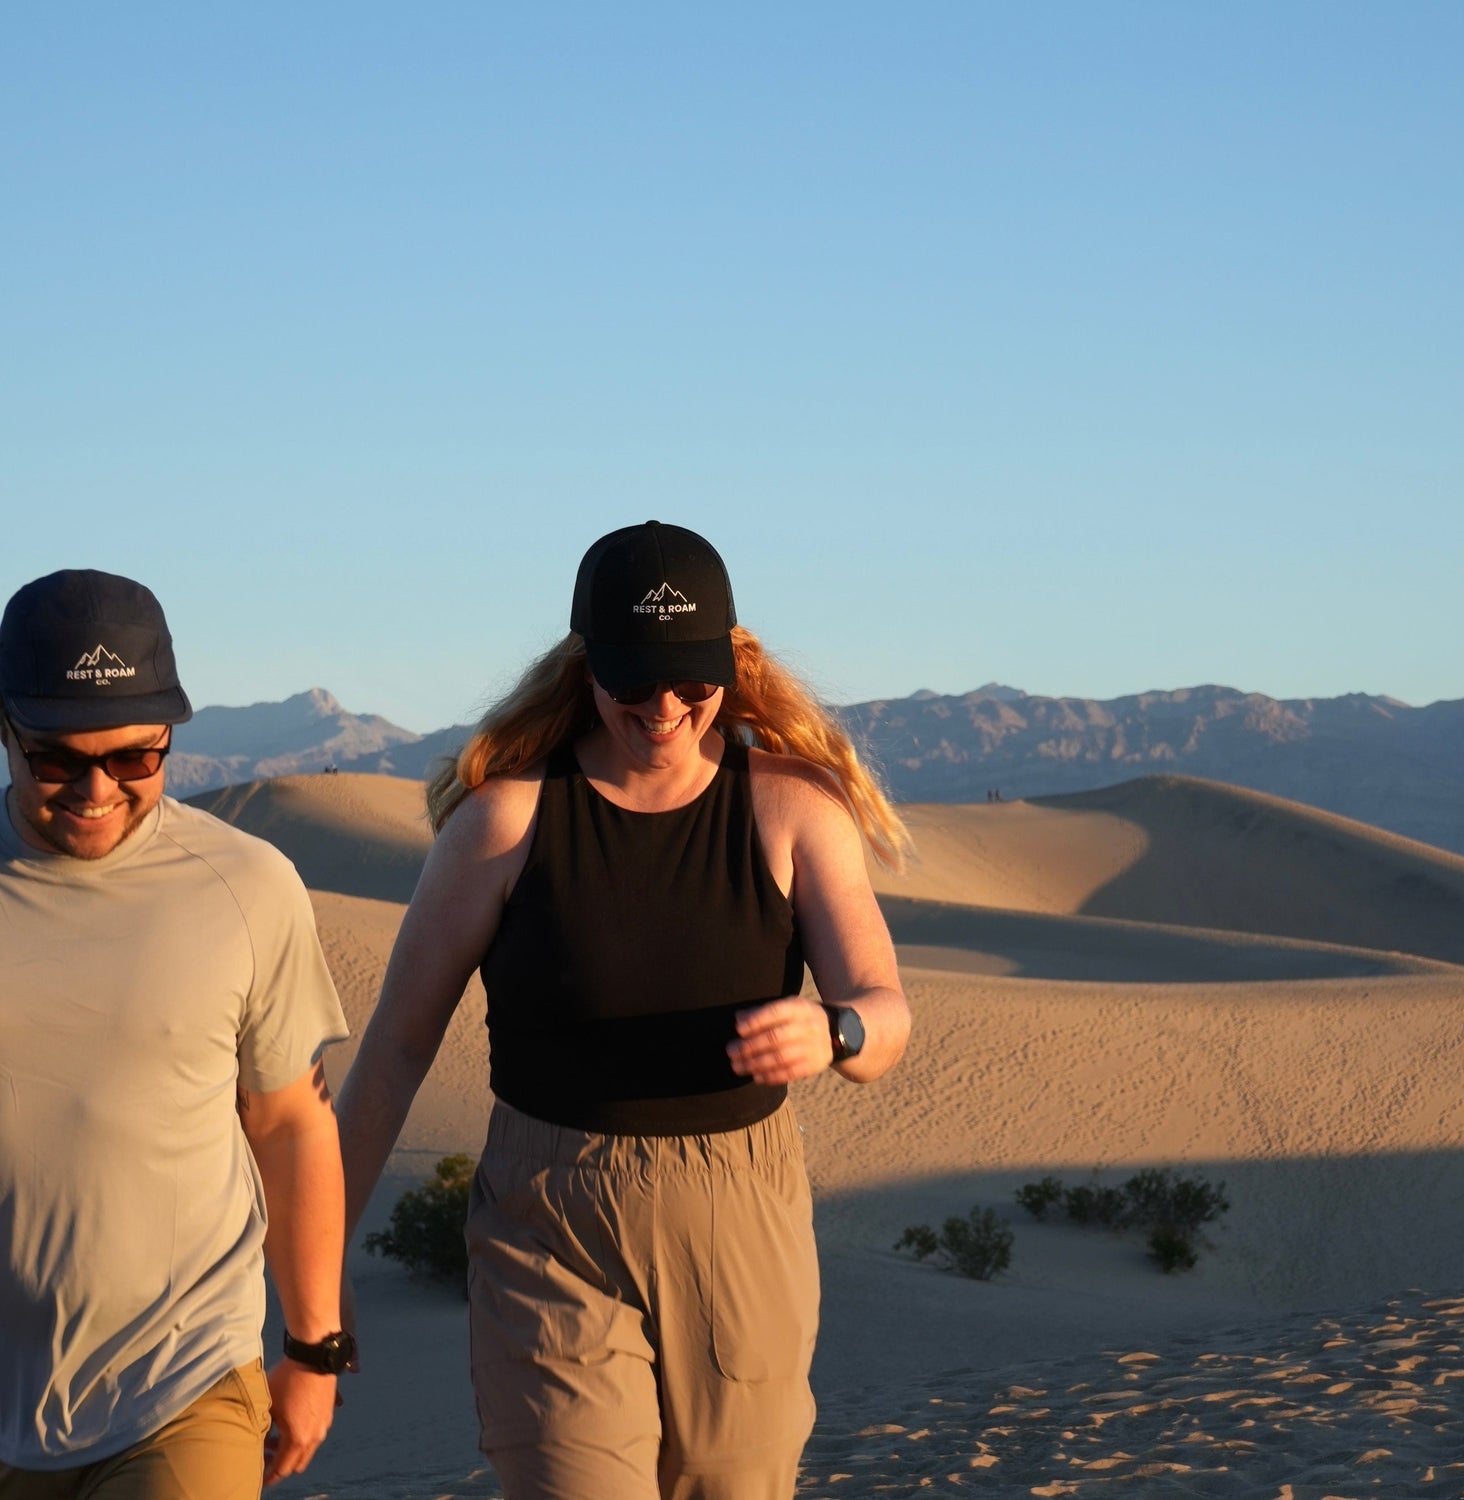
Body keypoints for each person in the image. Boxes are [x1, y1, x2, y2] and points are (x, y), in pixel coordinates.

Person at [336, 520, 912, 1500]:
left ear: (730, 664)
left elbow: (884, 1012)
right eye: (633, 682)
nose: (664, 708)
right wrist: (319, 1259)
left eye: (691, 682)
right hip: (548, 1213)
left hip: (740, 1212)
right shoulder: (504, 822)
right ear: (586, 667)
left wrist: (835, 1030)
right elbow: (392, 1050)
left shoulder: (791, 810)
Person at [0, 569, 355, 1498]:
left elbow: (289, 1123)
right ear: (6, 730)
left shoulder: (245, 887)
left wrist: (316, 1353)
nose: (95, 789)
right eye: (55, 758)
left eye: (133, 760)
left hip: (181, 1380)